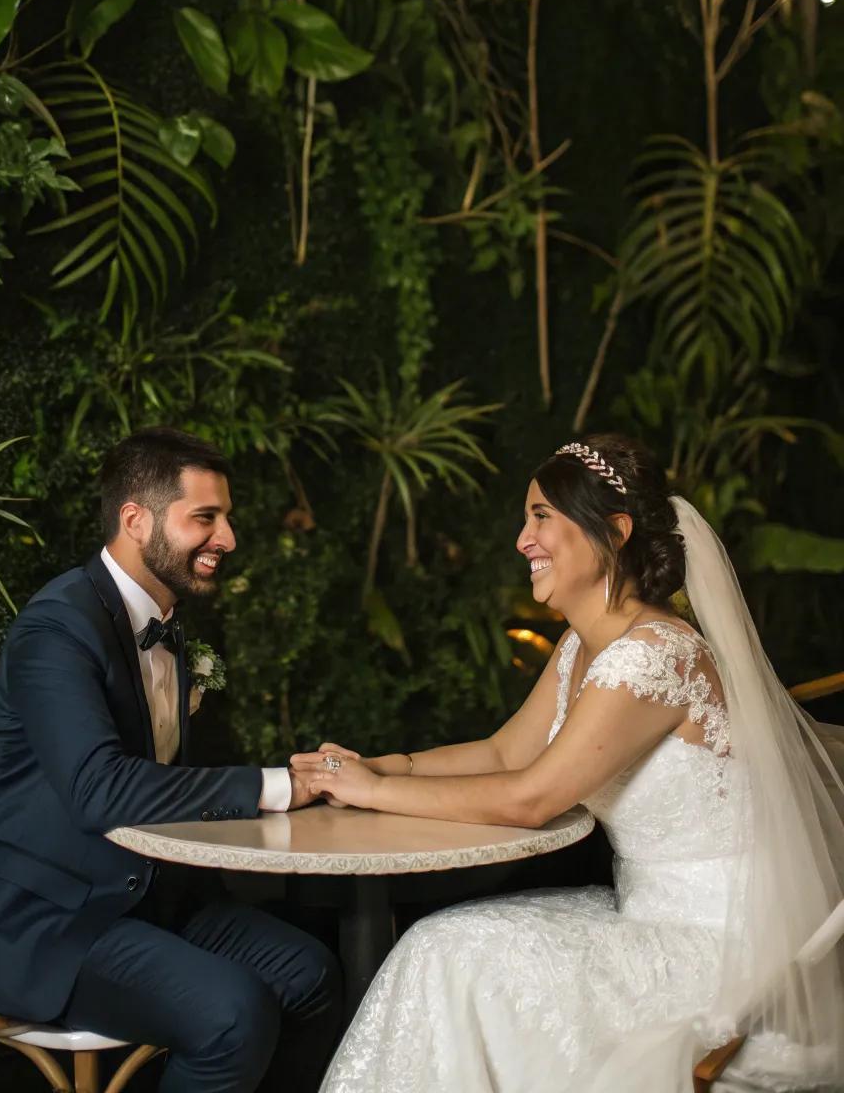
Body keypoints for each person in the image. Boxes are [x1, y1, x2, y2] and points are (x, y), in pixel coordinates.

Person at [294, 435, 844, 1093]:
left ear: (614, 532)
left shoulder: (654, 655)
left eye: (542, 517)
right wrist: (370, 766)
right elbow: (502, 752)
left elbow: (532, 799)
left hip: (726, 959)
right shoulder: (586, 645)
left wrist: (376, 791)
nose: (522, 540)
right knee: (442, 948)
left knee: (452, 955)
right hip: (646, 922)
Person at [0, 426, 342, 1093]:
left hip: (151, 894)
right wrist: (276, 786)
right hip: (51, 920)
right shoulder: (57, 627)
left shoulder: (165, 621)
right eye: (206, 518)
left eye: (227, 518)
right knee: (232, 1013)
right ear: (135, 520)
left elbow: (163, 783)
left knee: (314, 974)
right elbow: (99, 790)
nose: (228, 539)